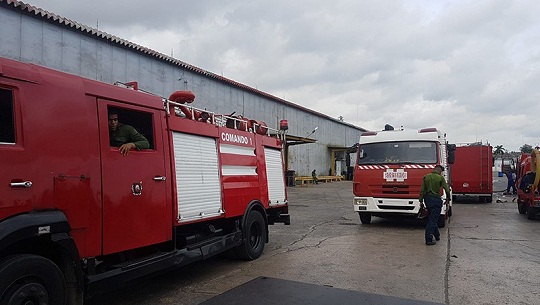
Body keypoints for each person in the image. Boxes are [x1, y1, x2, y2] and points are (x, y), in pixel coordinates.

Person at [419, 165, 451, 245]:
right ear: (440, 171)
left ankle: (437, 235)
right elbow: (447, 190)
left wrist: (421, 201)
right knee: (433, 220)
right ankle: (428, 239)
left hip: (427, 200)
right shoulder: (440, 178)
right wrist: (448, 199)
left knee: (432, 217)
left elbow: (422, 190)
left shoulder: (426, 177)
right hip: (436, 200)